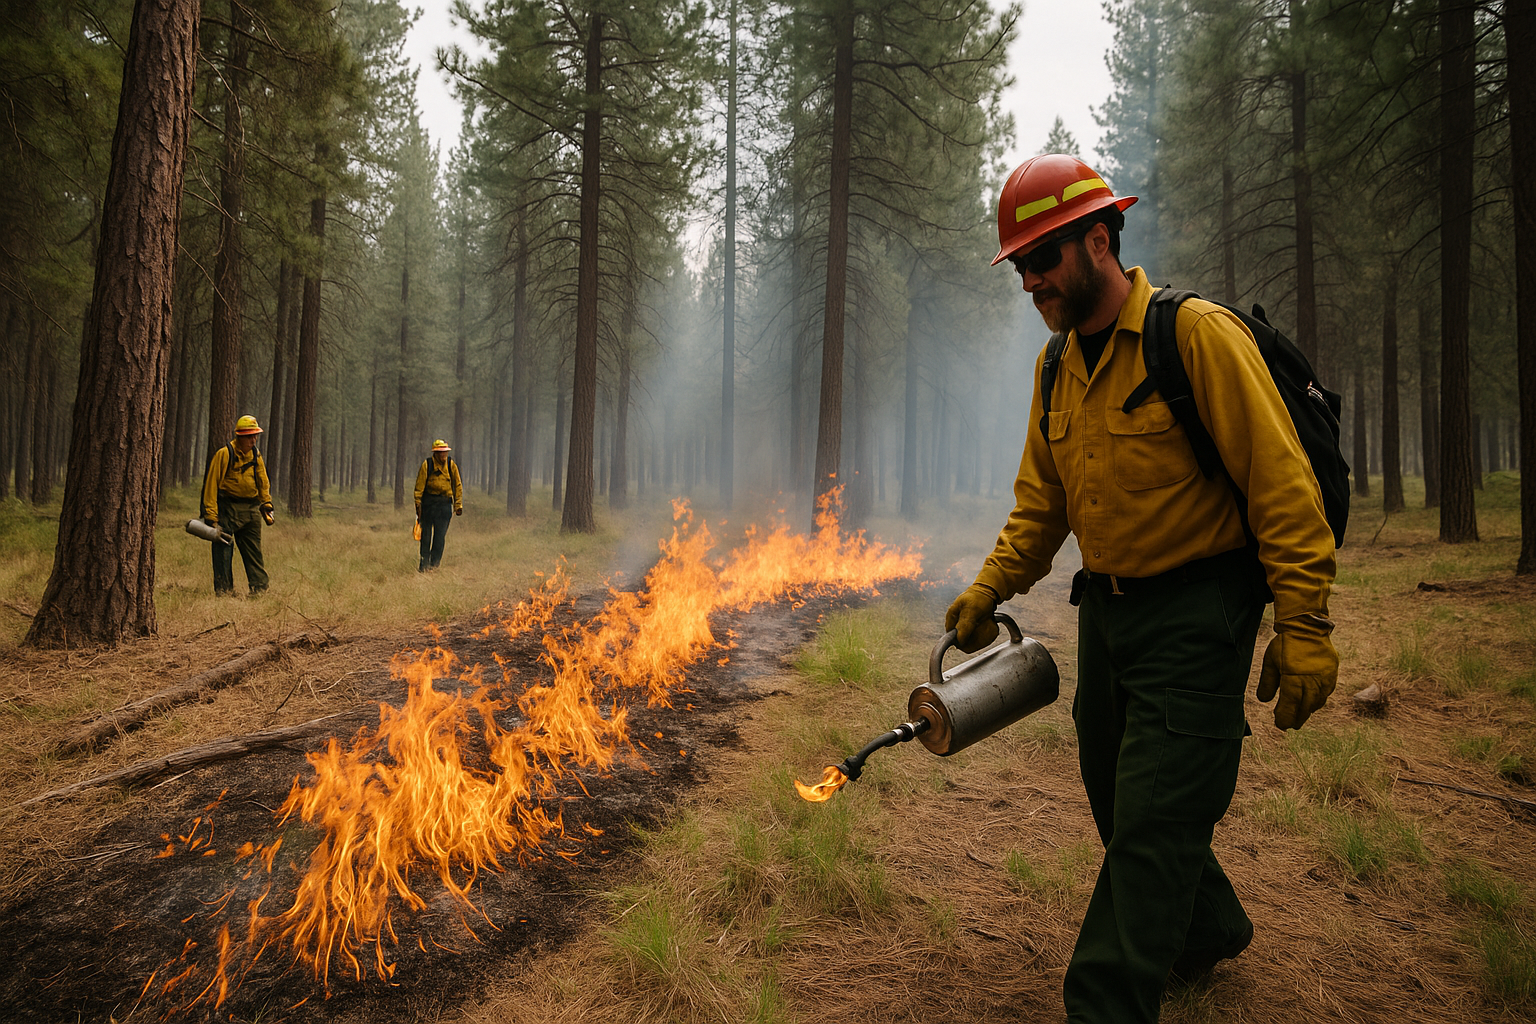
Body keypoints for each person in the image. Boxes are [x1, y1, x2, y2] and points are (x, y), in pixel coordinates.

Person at [945, 154, 1339, 1023]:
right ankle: (1205, 931)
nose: (1030, 281)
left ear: (1098, 239)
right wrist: (990, 588)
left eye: (1042, 259)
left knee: (1157, 817)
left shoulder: (1192, 337)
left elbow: (1282, 484)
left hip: (1201, 614)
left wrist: (1304, 621)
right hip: (1110, 618)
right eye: (1019, 266)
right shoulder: (1058, 369)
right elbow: (1040, 507)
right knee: (1119, 793)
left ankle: (1105, 1002)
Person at [201, 414, 275, 596]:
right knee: (223, 550)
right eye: (250, 436)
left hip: (251, 510)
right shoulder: (224, 454)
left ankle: (259, 590)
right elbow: (211, 484)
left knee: (253, 552)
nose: (253, 439)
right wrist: (211, 514)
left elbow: (263, 480)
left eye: (255, 435)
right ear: (239, 436)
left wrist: (266, 502)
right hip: (229, 508)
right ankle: (224, 591)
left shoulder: (256, 455)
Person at [413, 439, 463, 571]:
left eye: (445, 452)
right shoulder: (427, 465)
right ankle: (424, 565)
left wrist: (458, 505)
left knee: (440, 538)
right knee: (426, 537)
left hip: (444, 505)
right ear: (435, 453)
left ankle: (434, 565)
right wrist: (418, 504)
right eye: (441, 453)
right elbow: (419, 486)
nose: (443, 455)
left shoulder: (451, 465)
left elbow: (457, 485)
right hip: (429, 505)